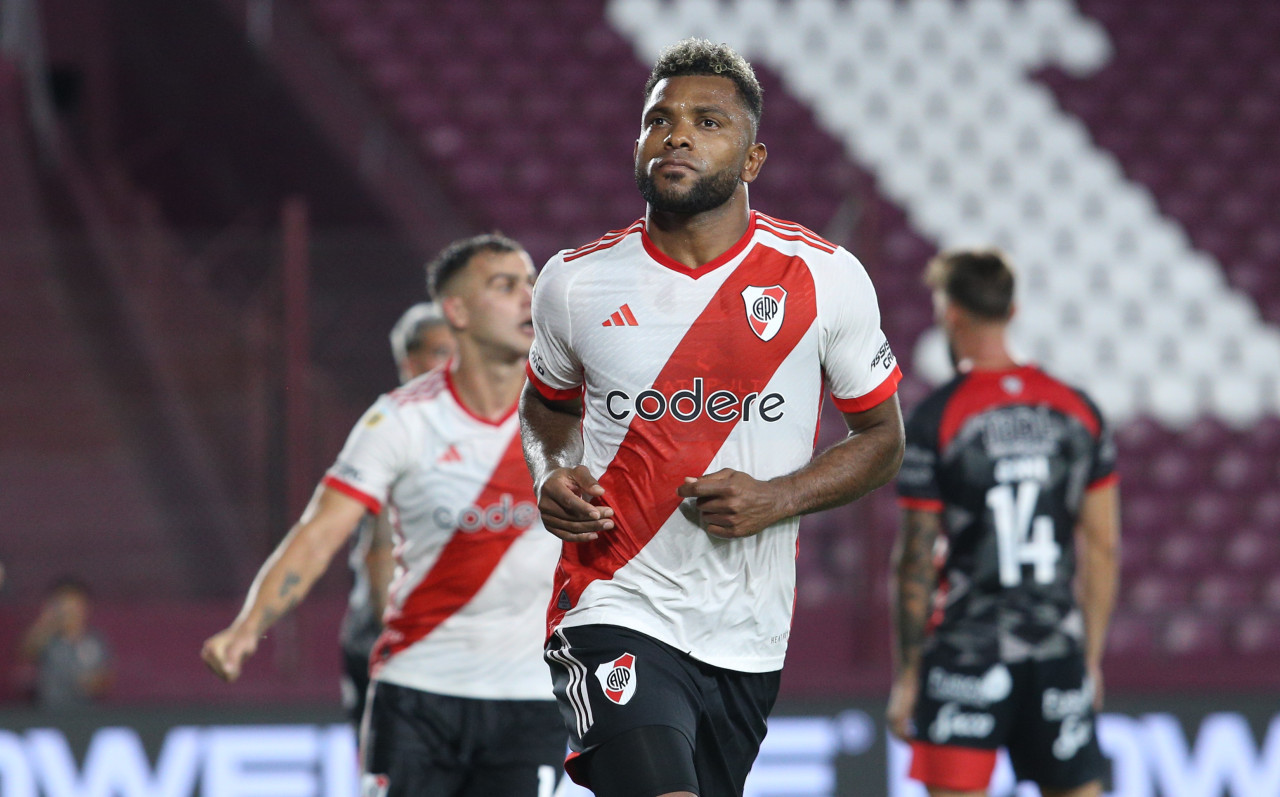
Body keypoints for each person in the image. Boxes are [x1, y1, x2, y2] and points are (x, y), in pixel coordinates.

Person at [520, 38, 905, 797]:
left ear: (753, 159)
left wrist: (779, 496)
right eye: (657, 119)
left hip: (746, 633)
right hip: (612, 601)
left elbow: (884, 438)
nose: (678, 134)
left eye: (708, 121)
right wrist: (551, 469)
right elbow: (546, 405)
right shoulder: (574, 283)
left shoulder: (824, 279)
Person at [202, 234, 565, 797]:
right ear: (457, 311)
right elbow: (320, 533)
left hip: (533, 695)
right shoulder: (400, 420)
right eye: (505, 285)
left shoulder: (574, 412)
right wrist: (250, 626)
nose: (528, 298)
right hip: (418, 690)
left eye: (532, 283)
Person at [886, 249, 1120, 797]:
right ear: (1012, 311)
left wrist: (908, 674)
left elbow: (914, 561)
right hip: (1056, 648)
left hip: (967, 651)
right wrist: (1089, 660)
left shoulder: (937, 418)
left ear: (951, 314)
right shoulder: (1077, 411)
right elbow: (1104, 548)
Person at [338, 301, 456, 729]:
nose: (454, 363)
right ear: (409, 362)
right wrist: (403, 639)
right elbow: (380, 547)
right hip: (402, 642)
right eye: (441, 351)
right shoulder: (396, 428)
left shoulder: (489, 426)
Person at [20, 577, 113, 709]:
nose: (70, 610)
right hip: (48, 711)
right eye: (64, 604)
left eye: (75, 604)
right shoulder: (48, 638)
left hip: (85, 712)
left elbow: (106, 677)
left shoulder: (95, 640)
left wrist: (92, 681)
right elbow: (26, 652)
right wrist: (48, 621)